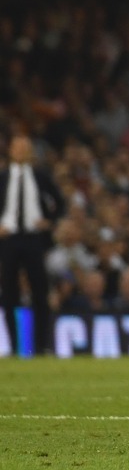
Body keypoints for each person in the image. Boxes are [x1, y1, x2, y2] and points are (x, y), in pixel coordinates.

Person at [0, 134, 66, 355]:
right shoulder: (3, 177)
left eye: (25, 147)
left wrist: (50, 222)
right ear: (11, 151)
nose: (20, 151)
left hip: (33, 238)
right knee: (9, 293)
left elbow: (61, 201)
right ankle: (15, 345)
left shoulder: (40, 176)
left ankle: (41, 346)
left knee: (40, 291)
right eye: (17, 147)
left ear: (31, 152)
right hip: (8, 239)